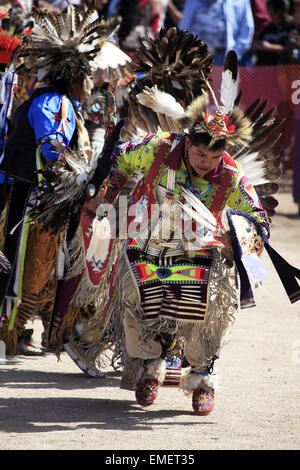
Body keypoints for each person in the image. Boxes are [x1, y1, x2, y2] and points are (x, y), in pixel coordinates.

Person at [75, 33, 300, 414]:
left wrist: (239, 240)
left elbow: (257, 217)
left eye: (214, 156)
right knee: (138, 299)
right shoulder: (158, 147)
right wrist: (105, 199)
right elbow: (123, 160)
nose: (206, 161)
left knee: (208, 307)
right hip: (149, 238)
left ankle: (202, 376)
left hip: (201, 249)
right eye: (200, 153)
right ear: (188, 141)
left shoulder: (229, 175)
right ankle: (148, 367)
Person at [0, 3, 122, 356]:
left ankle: (27, 331)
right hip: (31, 199)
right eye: (88, 78)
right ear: (74, 75)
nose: (91, 85)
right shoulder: (54, 102)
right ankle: (12, 331)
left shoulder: (59, 101)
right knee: (30, 267)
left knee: (47, 269)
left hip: (40, 198)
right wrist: (84, 180)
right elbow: (54, 154)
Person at [178, 0, 254, 65]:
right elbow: (184, 27)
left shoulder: (240, 1)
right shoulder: (194, 1)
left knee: (222, 82)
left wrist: (234, 56)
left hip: (223, 57)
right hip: (196, 57)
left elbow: (246, 30)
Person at [254, 0, 295, 65]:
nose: (271, 17)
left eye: (274, 13)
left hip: (283, 70)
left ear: (284, 10)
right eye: (269, 13)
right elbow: (257, 43)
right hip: (264, 69)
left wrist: (271, 47)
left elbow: (292, 50)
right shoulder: (269, 27)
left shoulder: (293, 27)